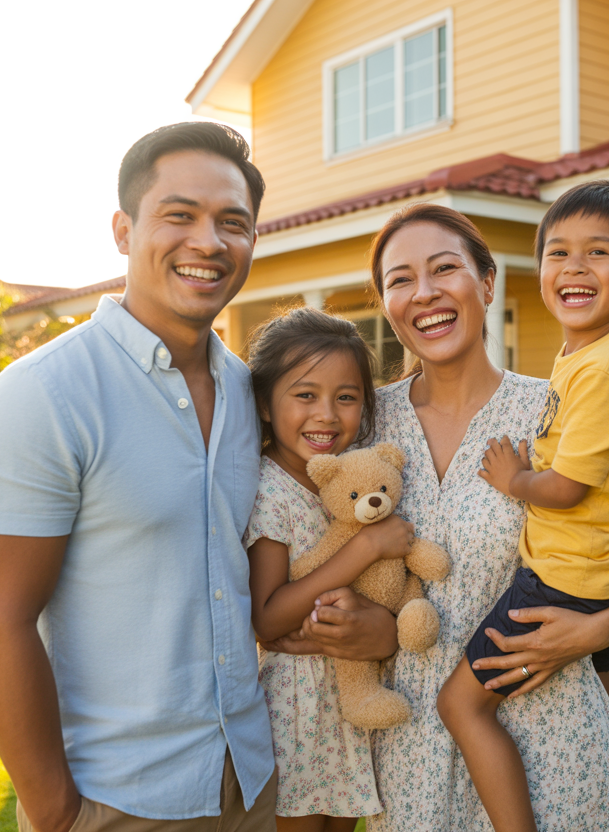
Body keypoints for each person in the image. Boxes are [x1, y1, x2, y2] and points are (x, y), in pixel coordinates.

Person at [266, 203, 609, 832]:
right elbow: (307, 552)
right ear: (386, 301)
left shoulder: (551, 409)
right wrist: (360, 628)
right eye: (399, 279)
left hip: (550, 744)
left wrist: (601, 629)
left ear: (487, 283)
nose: (424, 293)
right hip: (412, 758)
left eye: (444, 268)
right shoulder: (360, 425)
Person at [0, 122, 293, 832]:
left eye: (233, 222)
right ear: (123, 229)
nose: (208, 242)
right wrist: (56, 814)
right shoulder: (44, 396)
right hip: (115, 802)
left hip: (252, 784)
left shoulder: (248, 394)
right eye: (180, 215)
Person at [436, 180, 609, 832]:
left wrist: (516, 480)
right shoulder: (596, 354)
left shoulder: (604, 372)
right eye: (558, 253)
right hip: (602, 575)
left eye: (597, 253)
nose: (573, 267)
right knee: (605, 696)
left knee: (462, 705)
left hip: (561, 586)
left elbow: (566, 487)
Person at [242, 307, 414, 832]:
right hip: (294, 715)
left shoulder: (356, 479)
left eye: (346, 397)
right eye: (304, 395)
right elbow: (269, 621)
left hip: (347, 707)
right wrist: (362, 551)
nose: (327, 415)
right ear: (267, 405)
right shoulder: (269, 490)